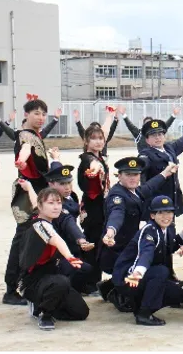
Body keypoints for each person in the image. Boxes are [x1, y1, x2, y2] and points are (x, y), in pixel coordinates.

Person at [98, 157, 178, 305]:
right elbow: (117, 214)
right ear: (119, 176)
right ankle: (116, 292)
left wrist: (166, 173)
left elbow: (148, 188)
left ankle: (108, 286)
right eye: (128, 174)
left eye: (135, 174)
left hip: (128, 247)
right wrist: (111, 231)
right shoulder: (118, 196)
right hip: (117, 250)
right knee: (138, 286)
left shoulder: (131, 192)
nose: (133, 178)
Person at [112, 196, 183, 326]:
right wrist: (138, 272)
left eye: (169, 212)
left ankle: (138, 305)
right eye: (160, 212)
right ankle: (144, 314)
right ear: (152, 215)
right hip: (129, 277)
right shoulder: (149, 231)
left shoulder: (166, 228)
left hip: (143, 275)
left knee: (178, 292)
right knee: (161, 271)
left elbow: (169, 247)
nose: (165, 216)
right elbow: (146, 253)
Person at [18, 188, 89, 331]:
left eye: (58, 202)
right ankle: (44, 313)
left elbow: (34, 200)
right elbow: (57, 241)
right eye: (50, 203)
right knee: (62, 281)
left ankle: (49, 302)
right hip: (32, 279)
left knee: (81, 312)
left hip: (52, 273)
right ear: (40, 206)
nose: (56, 207)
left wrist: (28, 187)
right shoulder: (39, 224)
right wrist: (69, 257)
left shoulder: (47, 218)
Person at [3, 95, 51, 306]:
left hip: (36, 189)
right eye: (36, 113)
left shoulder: (34, 134)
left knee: (31, 238)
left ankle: (21, 283)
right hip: (27, 191)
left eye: (43, 114)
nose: (41, 117)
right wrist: (21, 161)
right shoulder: (26, 135)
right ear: (26, 115)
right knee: (23, 239)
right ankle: (11, 289)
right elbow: (25, 149)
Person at [41, 157, 98, 295]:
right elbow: (68, 222)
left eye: (69, 183)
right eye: (62, 184)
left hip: (72, 244)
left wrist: (56, 159)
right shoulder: (52, 203)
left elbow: (58, 171)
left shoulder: (71, 196)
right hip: (56, 249)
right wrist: (81, 239)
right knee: (80, 268)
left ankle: (79, 287)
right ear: (51, 184)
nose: (67, 187)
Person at [138, 118, 183, 218]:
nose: (157, 138)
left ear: (164, 136)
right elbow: (142, 163)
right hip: (156, 204)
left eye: (160, 134)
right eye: (153, 135)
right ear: (147, 140)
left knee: (171, 230)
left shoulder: (168, 149)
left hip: (172, 200)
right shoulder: (146, 154)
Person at [77, 125, 111, 294]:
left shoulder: (99, 157)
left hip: (100, 206)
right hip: (93, 208)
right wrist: (95, 169)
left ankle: (93, 281)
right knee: (93, 245)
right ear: (86, 141)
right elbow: (92, 165)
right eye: (94, 138)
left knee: (98, 244)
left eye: (101, 139)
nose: (98, 142)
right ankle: (90, 283)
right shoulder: (87, 159)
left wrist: (110, 116)